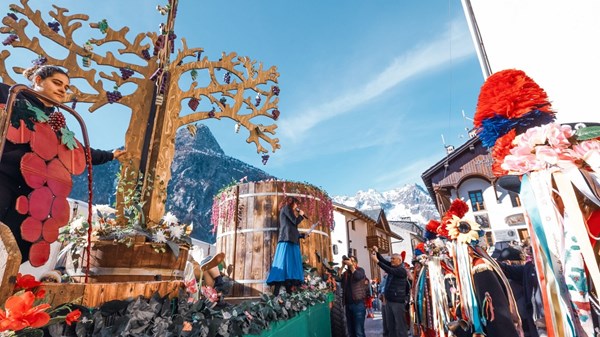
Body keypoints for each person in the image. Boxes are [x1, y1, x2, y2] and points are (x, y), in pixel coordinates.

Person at [0, 64, 125, 265]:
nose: (62, 90)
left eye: (66, 87)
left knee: (18, 244)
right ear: (38, 80)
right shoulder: (10, 93)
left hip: (33, 193)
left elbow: (76, 150)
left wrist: (110, 155)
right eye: (57, 83)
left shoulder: (57, 120)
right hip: (3, 177)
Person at [266, 196, 306, 295]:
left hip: (291, 241)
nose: (297, 206)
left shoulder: (289, 211)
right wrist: (300, 215)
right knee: (283, 265)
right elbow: (294, 221)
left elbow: (292, 228)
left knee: (289, 267)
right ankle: (276, 294)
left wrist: (301, 235)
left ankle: (288, 293)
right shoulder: (287, 208)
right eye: (296, 204)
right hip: (286, 241)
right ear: (292, 203)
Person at [371, 246, 409, 337]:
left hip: (397, 302)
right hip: (389, 301)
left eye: (393, 259)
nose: (391, 260)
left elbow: (388, 269)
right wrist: (377, 252)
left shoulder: (401, 270)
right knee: (390, 325)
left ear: (399, 261)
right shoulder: (394, 267)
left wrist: (377, 261)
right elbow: (384, 262)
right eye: (391, 258)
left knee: (400, 326)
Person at [341, 255, 367, 337]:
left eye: (352, 261)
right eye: (349, 261)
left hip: (358, 304)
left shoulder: (360, 270)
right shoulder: (345, 273)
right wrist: (342, 266)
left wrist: (351, 266)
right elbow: (338, 278)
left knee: (359, 331)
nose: (350, 262)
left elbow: (357, 276)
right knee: (350, 331)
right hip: (348, 305)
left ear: (356, 263)